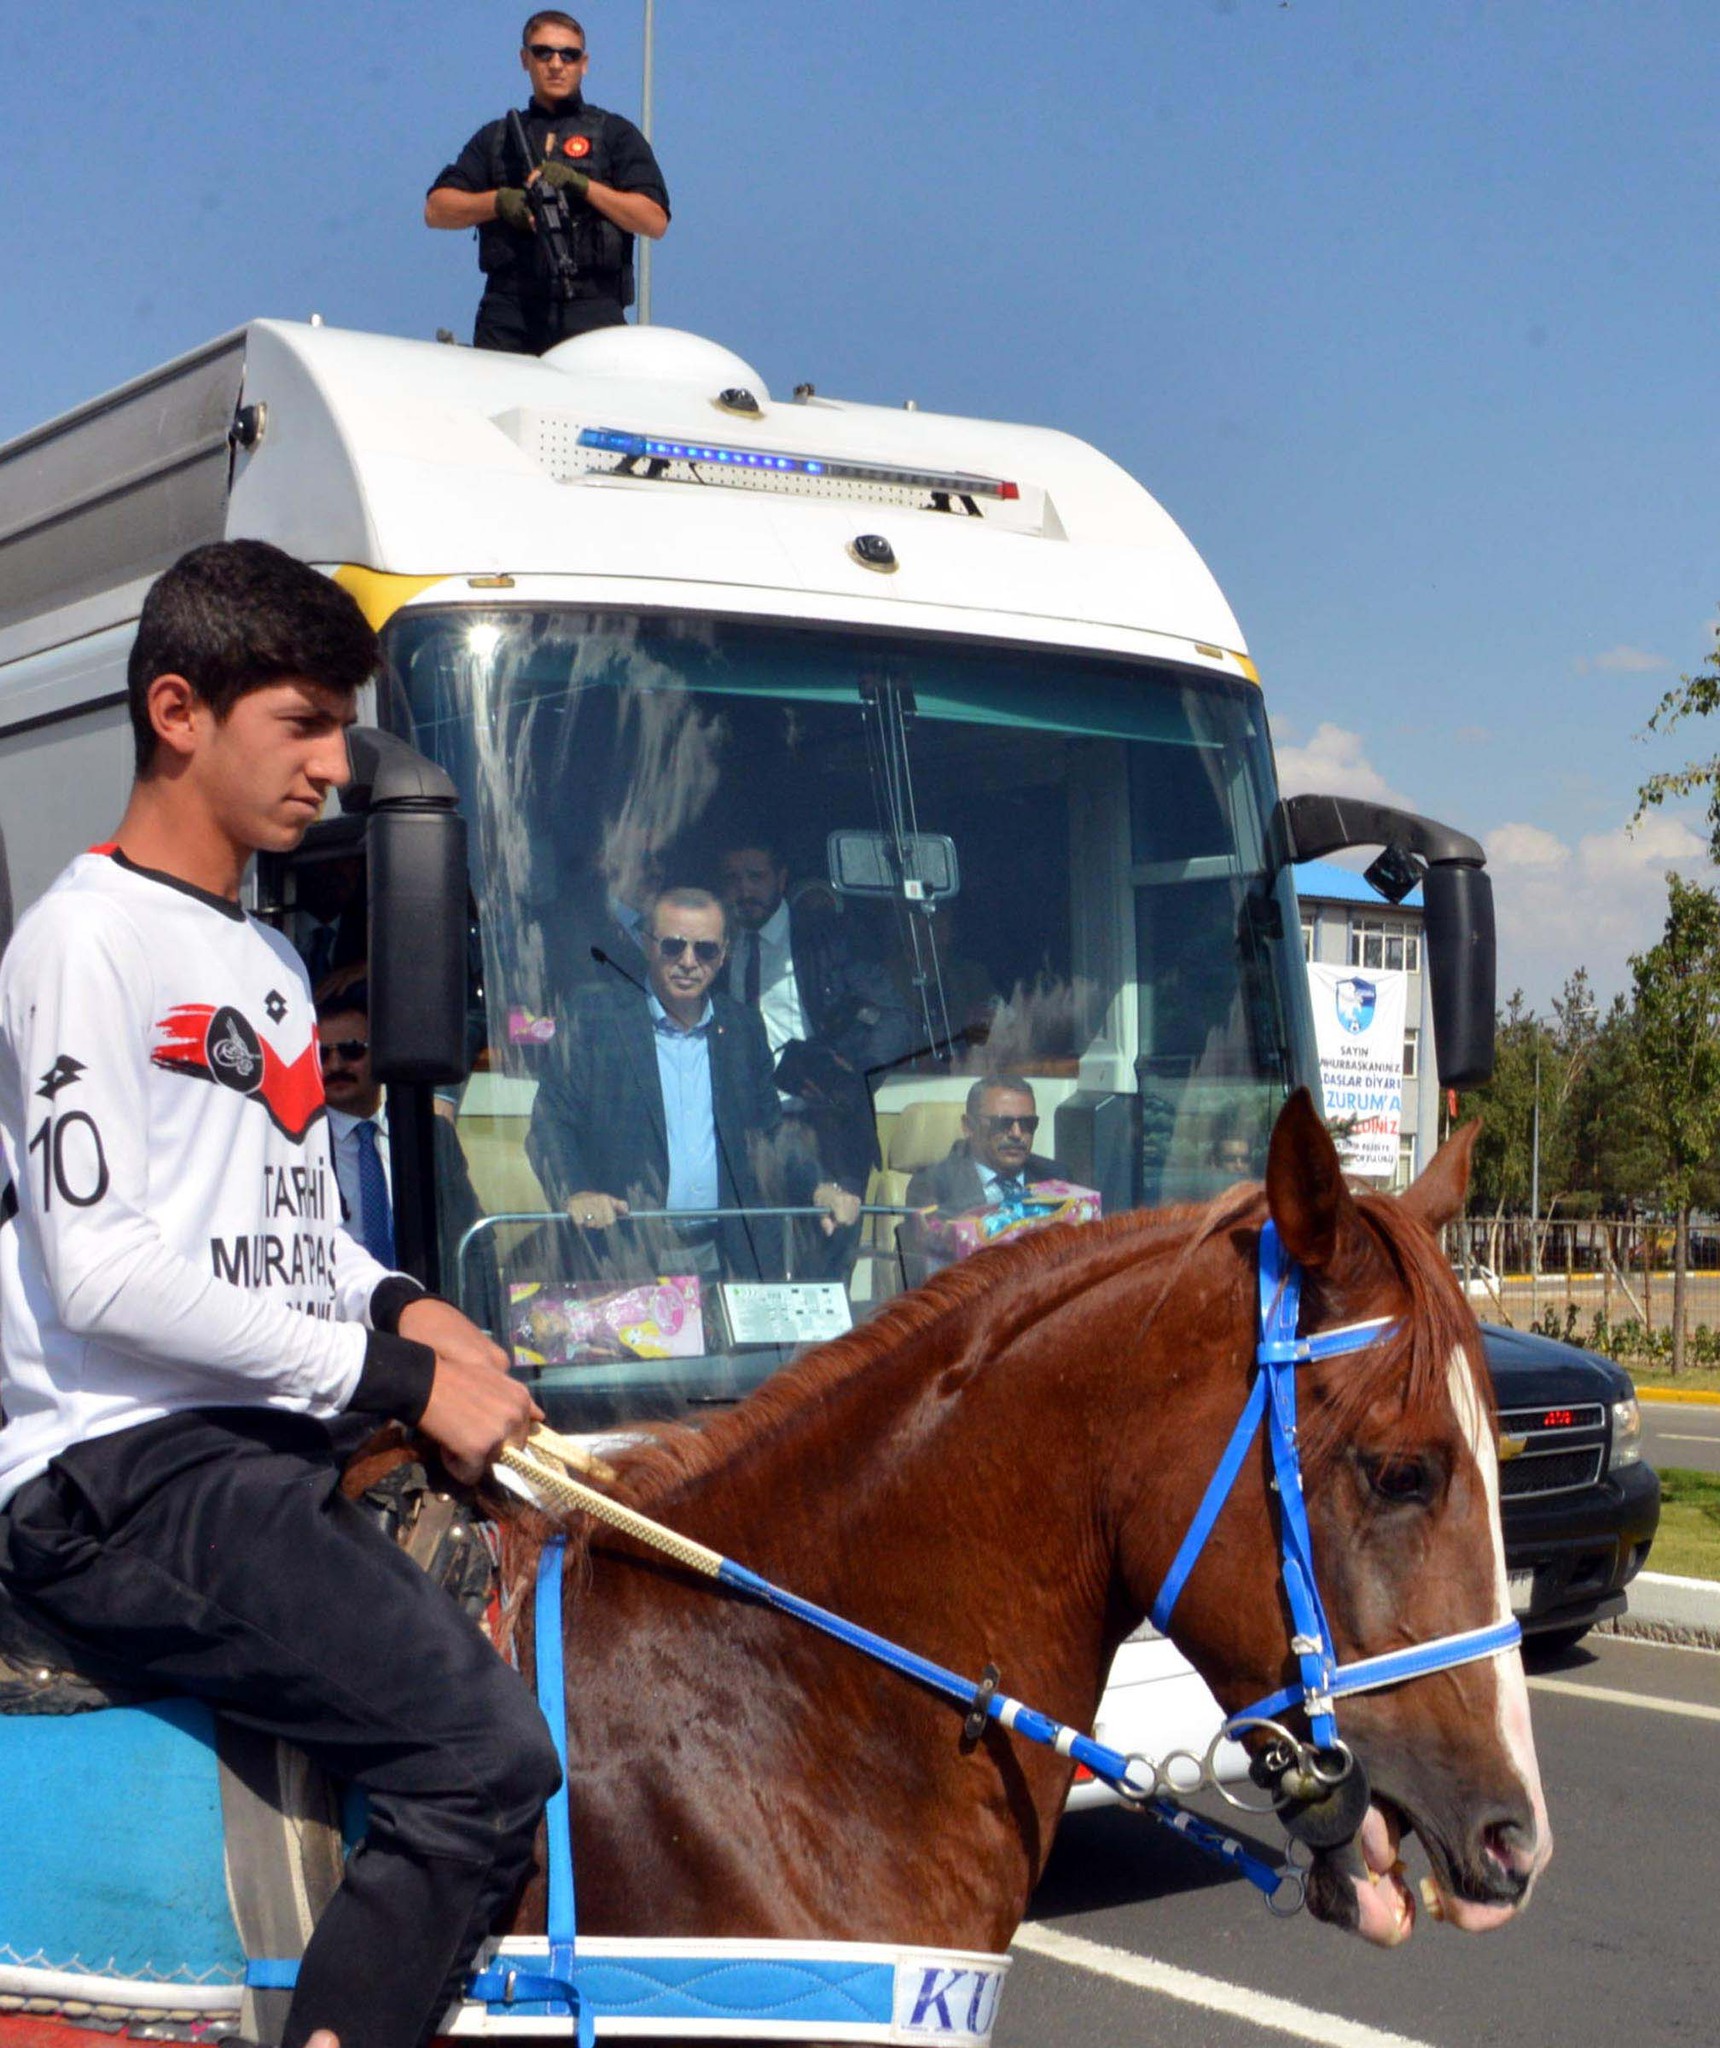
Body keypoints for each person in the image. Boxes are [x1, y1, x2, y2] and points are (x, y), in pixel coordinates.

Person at [0, 541, 559, 2048]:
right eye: (301, 724)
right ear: (178, 711)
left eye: (341, 730)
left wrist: (411, 1310)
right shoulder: (83, 939)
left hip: (263, 1441)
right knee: (484, 1756)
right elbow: (104, 1271)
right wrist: (401, 1382)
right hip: (124, 1468)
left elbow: (297, 1239)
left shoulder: (265, 958)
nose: (332, 767)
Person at [526, 887, 859, 1279]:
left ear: (724, 953)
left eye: (705, 950)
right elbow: (550, 1122)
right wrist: (576, 1191)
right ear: (647, 944)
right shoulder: (595, 1017)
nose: (688, 962)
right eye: (673, 946)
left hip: (724, 1254)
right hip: (624, 1253)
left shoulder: (742, 1028)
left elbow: (770, 1134)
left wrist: (818, 1186)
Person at [426, 11, 670, 355]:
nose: (556, 64)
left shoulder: (615, 135)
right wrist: (499, 202)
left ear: (583, 63)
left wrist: (582, 186)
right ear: (525, 59)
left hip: (591, 310)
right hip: (510, 310)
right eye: (543, 53)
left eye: (568, 55)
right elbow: (437, 209)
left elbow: (654, 221)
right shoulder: (498, 139)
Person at [317, 986, 501, 1334]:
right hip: (340, 1336)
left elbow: (473, 1245)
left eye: (352, 1050)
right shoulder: (299, 1144)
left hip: (426, 1325)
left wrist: (481, 1329)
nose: (335, 1065)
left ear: (382, 1054)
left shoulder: (432, 1136)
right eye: (321, 1054)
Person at [905, 1076, 1061, 1218]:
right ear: (969, 1126)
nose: (1016, 1133)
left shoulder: (1056, 1177)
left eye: (1027, 1123)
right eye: (1002, 1123)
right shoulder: (934, 1185)